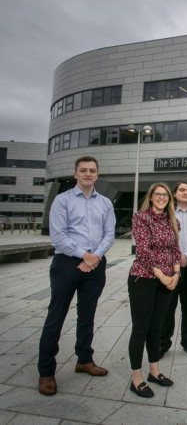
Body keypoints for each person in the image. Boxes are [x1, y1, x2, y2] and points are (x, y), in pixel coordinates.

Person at [38, 156, 116, 396]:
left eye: (92, 170)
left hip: (95, 264)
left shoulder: (105, 203)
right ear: (76, 174)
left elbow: (109, 234)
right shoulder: (62, 200)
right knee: (56, 314)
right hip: (67, 263)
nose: (88, 174)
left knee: (87, 314)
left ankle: (84, 359)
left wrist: (95, 258)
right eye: (83, 170)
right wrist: (85, 255)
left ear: (97, 174)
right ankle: (46, 371)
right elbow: (58, 236)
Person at [128, 182, 181, 398]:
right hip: (144, 278)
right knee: (141, 328)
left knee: (156, 327)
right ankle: (136, 377)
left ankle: (154, 371)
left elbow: (176, 249)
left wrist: (176, 275)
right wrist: (162, 276)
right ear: (150, 197)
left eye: (165, 195)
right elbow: (143, 250)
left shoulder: (172, 221)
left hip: (167, 279)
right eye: (157, 194)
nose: (161, 198)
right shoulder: (141, 218)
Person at [160, 181, 187, 358]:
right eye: (182, 190)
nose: (185, 193)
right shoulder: (165, 213)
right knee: (167, 307)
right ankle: (163, 343)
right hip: (169, 266)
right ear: (175, 193)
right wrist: (175, 257)